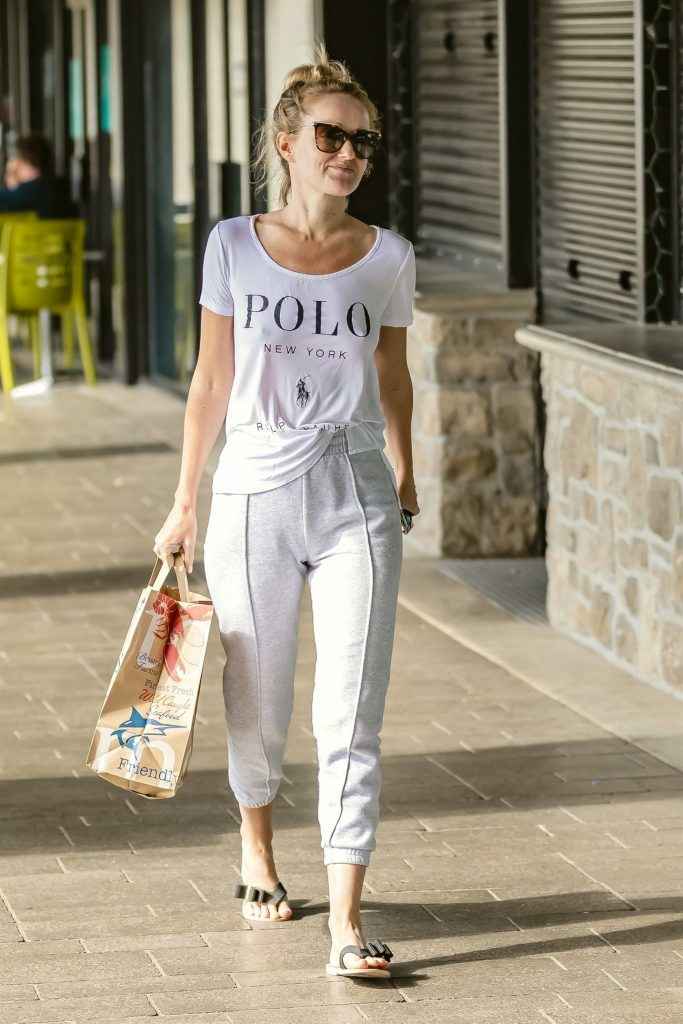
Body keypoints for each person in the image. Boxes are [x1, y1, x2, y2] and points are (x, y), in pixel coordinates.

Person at [153, 42, 419, 980]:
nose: (348, 154)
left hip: (354, 489)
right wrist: (184, 501)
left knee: (352, 709)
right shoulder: (232, 245)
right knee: (257, 697)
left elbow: (393, 374)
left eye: (363, 142)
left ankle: (347, 919)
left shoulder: (387, 257)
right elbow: (209, 381)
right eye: (331, 136)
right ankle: (257, 849)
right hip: (254, 489)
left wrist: (405, 472)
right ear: (287, 142)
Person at [0, 134, 78, 218]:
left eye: (20, 160)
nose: (16, 168)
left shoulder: (32, 191)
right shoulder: (63, 187)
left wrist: (11, 179)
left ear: (28, 162)